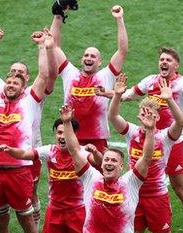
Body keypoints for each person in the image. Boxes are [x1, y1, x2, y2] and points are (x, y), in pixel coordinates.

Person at [119, 47, 183, 233]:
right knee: (146, 182)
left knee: (179, 187)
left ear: (176, 65)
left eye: (168, 60)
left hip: (172, 141)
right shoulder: (150, 81)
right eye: (161, 59)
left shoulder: (182, 83)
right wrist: (107, 94)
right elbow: (128, 95)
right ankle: (140, 222)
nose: (163, 62)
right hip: (150, 140)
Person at [0, 21, 57, 233]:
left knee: (28, 201)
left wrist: (44, 46)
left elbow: (47, 74)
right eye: (11, 76)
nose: (13, 80)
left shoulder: (31, 97)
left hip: (27, 156)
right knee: (0, 211)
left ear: (26, 82)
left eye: (20, 76)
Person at [0, 118, 103, 233]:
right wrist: (10, 151)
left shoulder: (82, 153)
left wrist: (96, 152)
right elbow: (24, 154)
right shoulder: (49, 151)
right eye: (59, 132)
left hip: (77, 211)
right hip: (55, 211)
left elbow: (100, 162)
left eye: (66, 133)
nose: (62, 136)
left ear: (74, 135)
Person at [61, 103, 154, 233]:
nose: (109, 162)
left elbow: (146, 158)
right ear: (102, 163)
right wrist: (67, 122)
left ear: (121, 166)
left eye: (114, 160)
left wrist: (150, 130)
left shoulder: (130, 182)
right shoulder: (91, 178)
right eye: (106, 159)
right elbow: (74, 151)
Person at [109, 73, 183, 233]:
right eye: (143, 114)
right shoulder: (131, 132)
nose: (145, 118)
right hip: (134, 194)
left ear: (158, 116)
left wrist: (170, 100)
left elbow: (180, 122)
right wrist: (117, 95)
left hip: (157, 196)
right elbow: (112, 116)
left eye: (149, 115)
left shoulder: (164, 137)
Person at [49, 4, 128, 152]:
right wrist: (58, 15)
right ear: (81, 60)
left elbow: (122, 51)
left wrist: (119, 19)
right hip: (71, 137)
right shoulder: (70, 73)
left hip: (97, 140)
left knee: (99, 176)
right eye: (86, 55)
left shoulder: (106, 75)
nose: (89, 58)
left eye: (93, 56)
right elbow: (54, 47)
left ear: (100, 62)